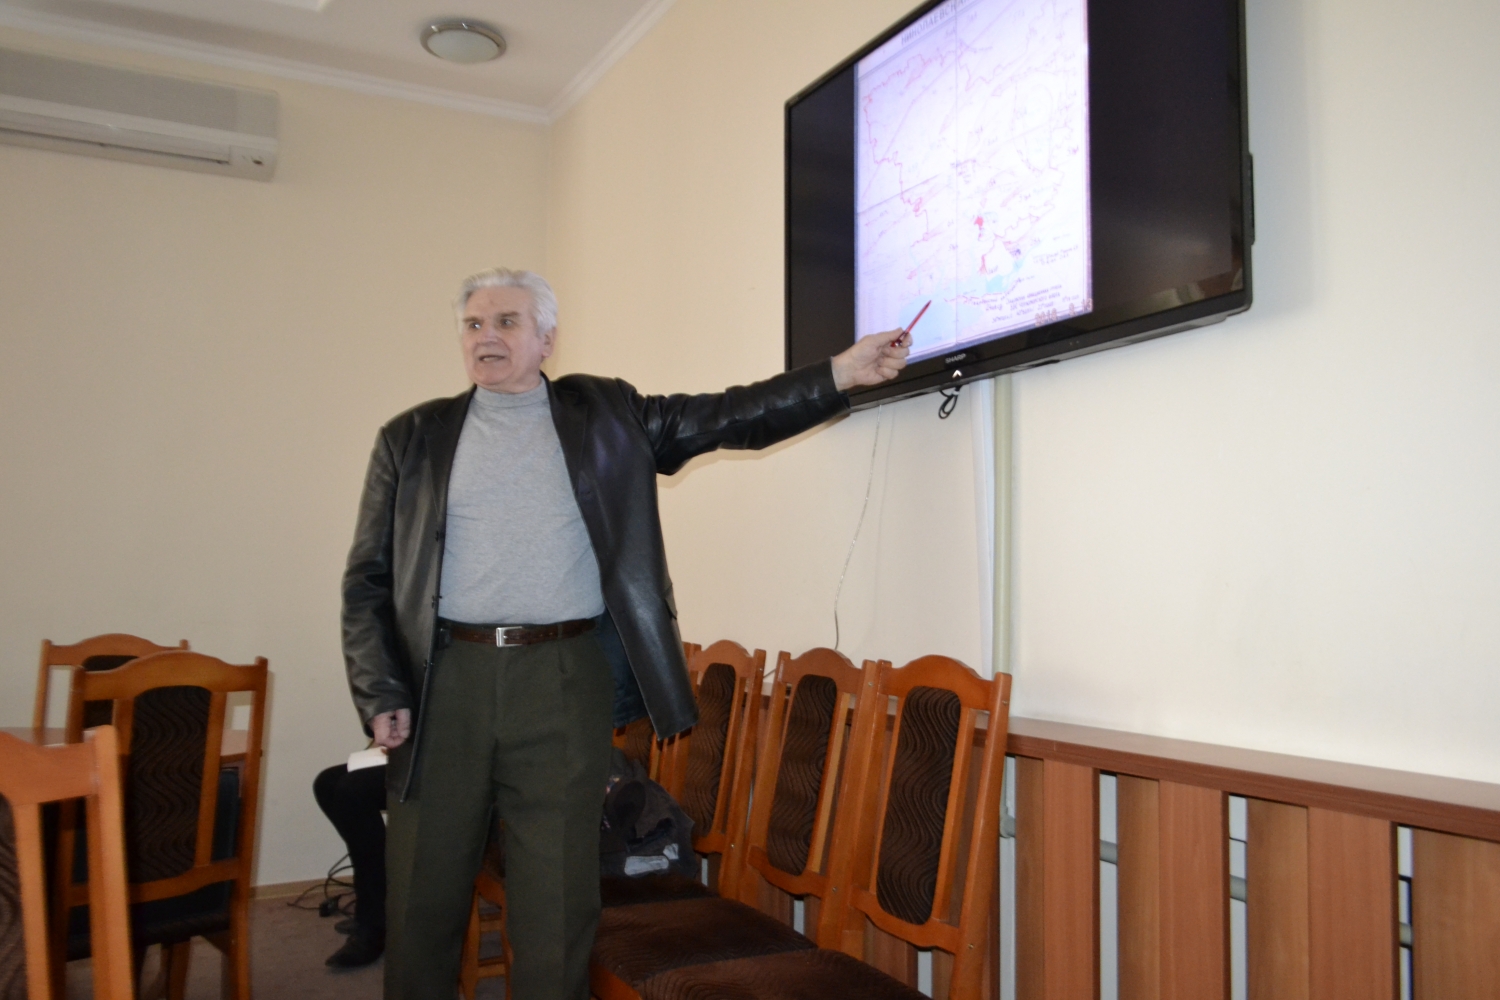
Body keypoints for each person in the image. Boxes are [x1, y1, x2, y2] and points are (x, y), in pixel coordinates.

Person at [341, 268, 907, 1000]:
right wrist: (379, 686)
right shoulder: (410, 437)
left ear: (547, 337)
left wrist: (837, 375)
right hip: (444, 678)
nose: (487, 338)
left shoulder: (607, 414)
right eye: (474, 324)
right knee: (424, 888)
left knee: (556, 895)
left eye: (507, 322)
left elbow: (727, 415)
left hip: (563, 674)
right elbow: (368, 577)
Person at [311, 757, 388, 968]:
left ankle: (373, 924)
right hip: (418, 757)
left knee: (352, 790)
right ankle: (376, 905)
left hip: (454, 765)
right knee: (327, 783)